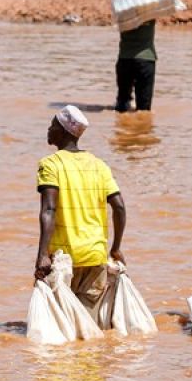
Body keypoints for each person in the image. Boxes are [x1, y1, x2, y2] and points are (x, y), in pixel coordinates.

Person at [34, 105, 125, 307]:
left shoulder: (50, 164)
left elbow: (49, 209)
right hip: (95, 256)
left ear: (62, 131)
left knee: (59, 326)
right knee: (88, 326)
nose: (49, 130)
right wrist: (116, 248)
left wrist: (42, 255)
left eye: (52, 126)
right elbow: (119, 207)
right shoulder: (99, 165)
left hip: (64, 260)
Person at [115, 19, 156, 112]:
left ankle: (121, 125)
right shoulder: (150, 13)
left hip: (124, 59)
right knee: (144, 109)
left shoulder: (123, 14)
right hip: (146, 59)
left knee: (122, 104)